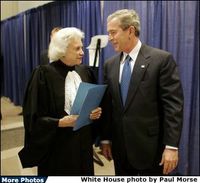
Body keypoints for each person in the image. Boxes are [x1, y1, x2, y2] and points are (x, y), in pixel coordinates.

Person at [100, 9, 184, 176]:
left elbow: (173, 107)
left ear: (130, 30)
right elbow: (109, 105)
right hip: (120, 149)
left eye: (113, 32)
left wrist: (171, 147)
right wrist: (106, 139)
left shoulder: (161, 60)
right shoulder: (110, 65)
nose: (110, 38)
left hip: (151, 149)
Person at [18, 27, 102, 175]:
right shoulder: (43, 74)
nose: (82, 52)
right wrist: (59, 123)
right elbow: (33, 118)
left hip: (82, 145)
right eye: (77, 49)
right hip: (57, 148)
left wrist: (95, 112)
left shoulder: (85, 72)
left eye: (82, 48)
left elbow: (90, 105)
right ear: (62, 50)